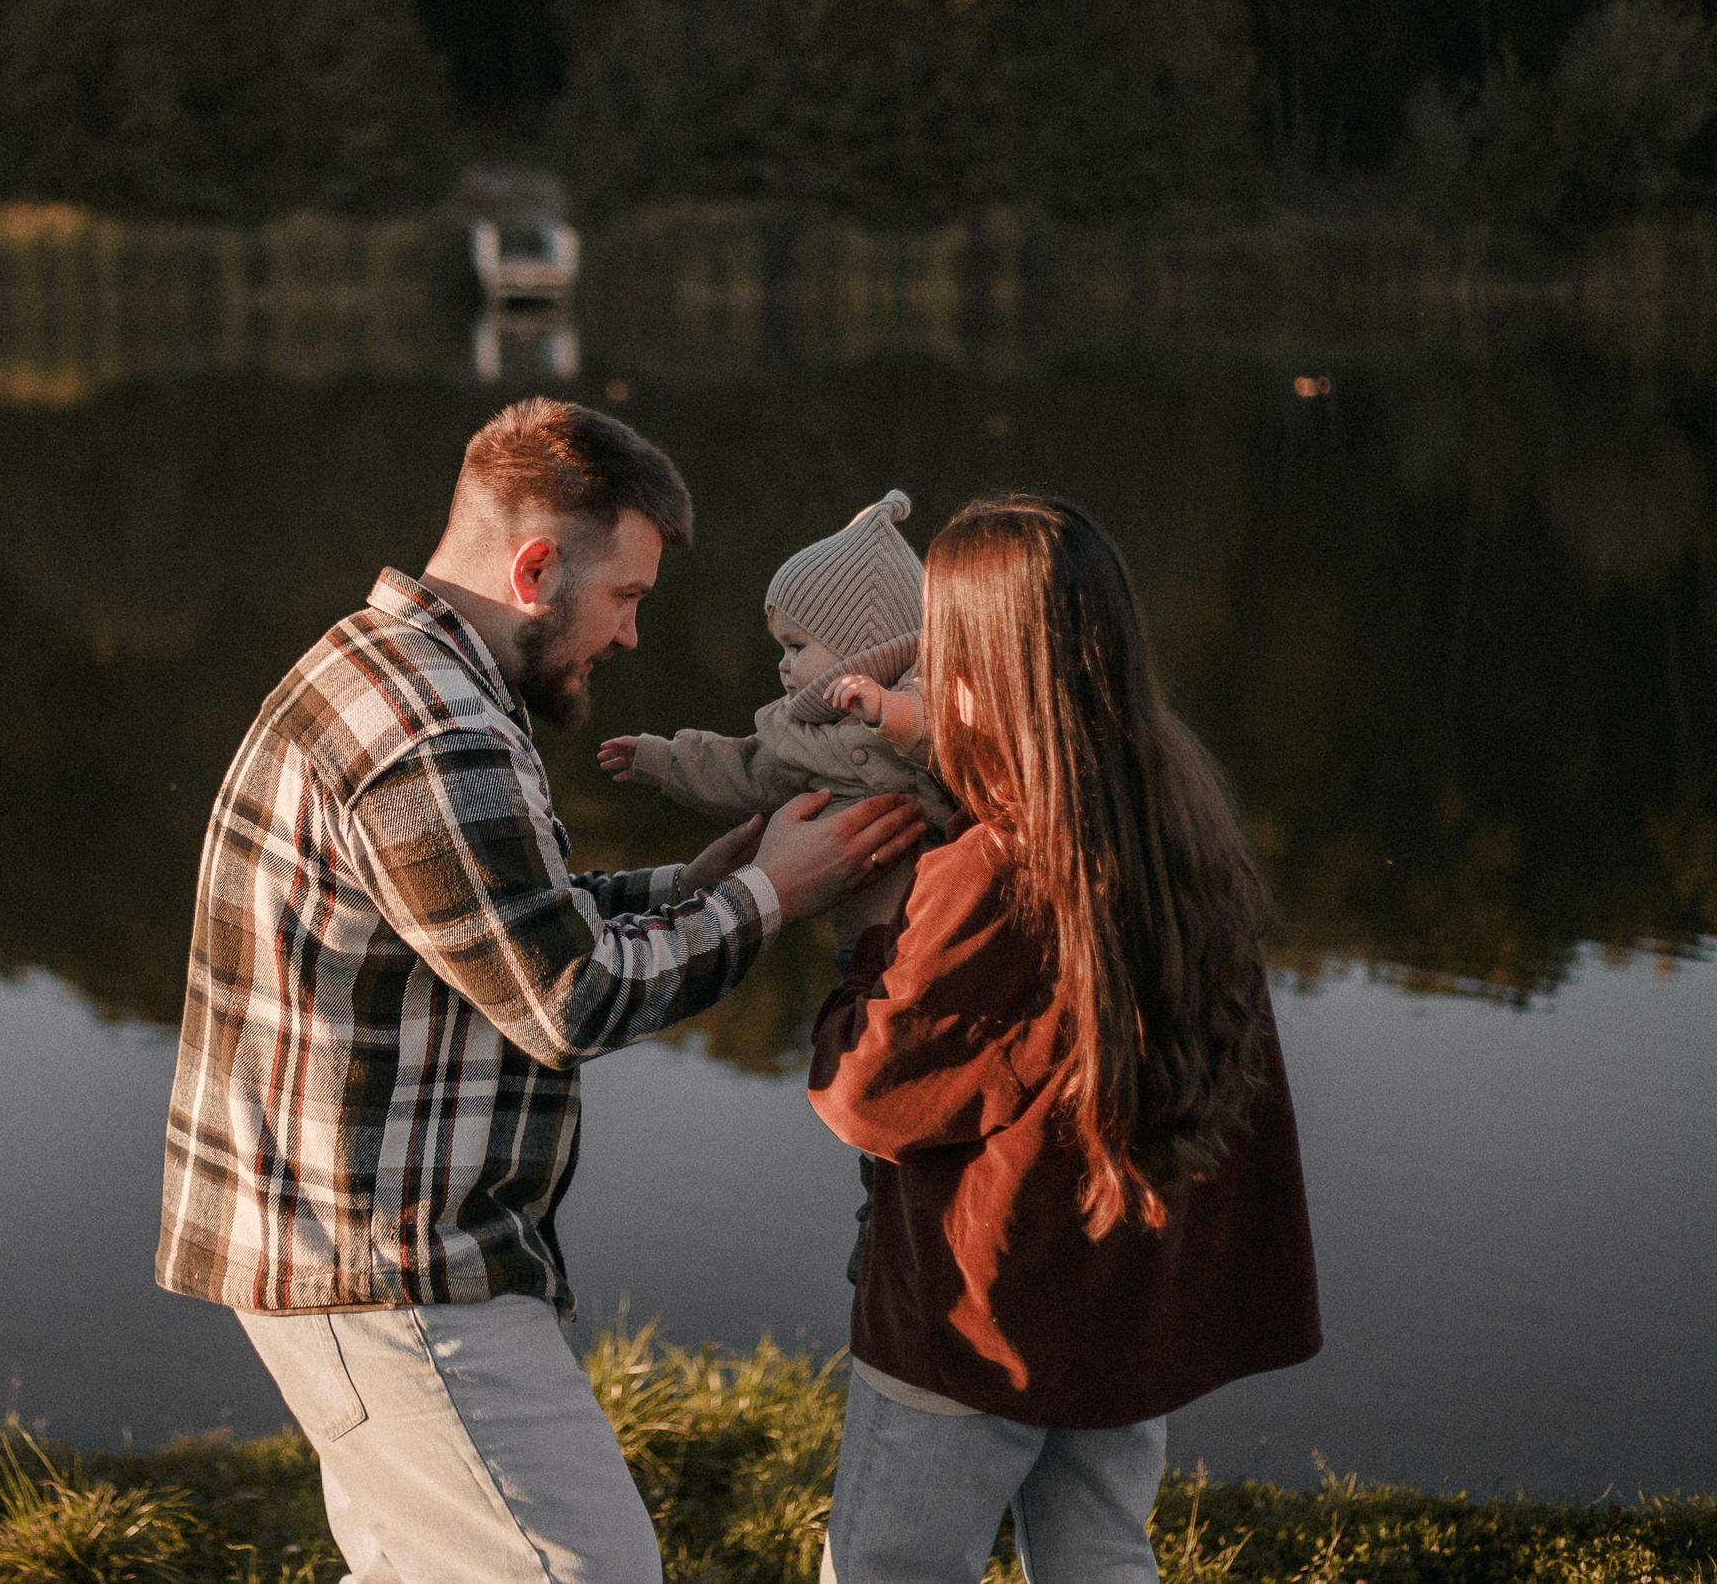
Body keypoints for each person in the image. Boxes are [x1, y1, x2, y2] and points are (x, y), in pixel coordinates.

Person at [157, 397, 926, 1584]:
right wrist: (772, 895)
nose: (625, 638)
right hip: (390, 1267)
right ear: (533, 569)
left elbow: (491, 926)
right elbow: (567, 999)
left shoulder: (388, 667)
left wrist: (695, 879)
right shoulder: (436, 729)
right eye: (623, 598)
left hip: (336, 1246)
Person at [806, 494, 1321, 1584]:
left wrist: (862, 938)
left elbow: (868, 1095)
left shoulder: (995, 870)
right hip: (1124, 1303)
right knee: (1099, 1556)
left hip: (978, 1326)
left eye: (938, 646)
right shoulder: (1174, 821)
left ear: (978, 673)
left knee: (892, 1568)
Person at [596, 490, 958, 966]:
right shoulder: (798, 733)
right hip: (862, 946)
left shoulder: (933, 687)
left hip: (949, 926)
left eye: (796, 646)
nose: (783, 666)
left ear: (858, 643)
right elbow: (745, 769)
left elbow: (952, 734)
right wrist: (663, 759)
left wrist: (890, 710)